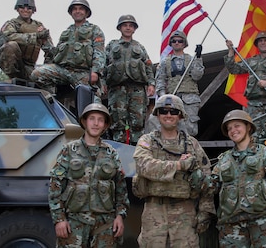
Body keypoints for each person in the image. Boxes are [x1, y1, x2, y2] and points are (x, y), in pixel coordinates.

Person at [133, 94, 215, 247]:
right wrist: (178, 166)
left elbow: (206, 178)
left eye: (174, 112)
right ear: (157, 114)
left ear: (181, 116)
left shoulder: (192, 145)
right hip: (154, 212)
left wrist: (205, 211)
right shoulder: (147, 141)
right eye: (163, 111)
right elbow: (143, 165)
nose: (168, 115)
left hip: (184, 212)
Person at [205, 109, 266, 247]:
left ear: (248, 127)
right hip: (231, 225)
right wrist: (195, 172)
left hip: (262, 222)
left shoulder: (264, 153)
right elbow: (211, 187)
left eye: (237, 126)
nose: (233, 131)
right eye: (229, 128)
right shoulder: (224, 160)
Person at [48, 103, 130, 247]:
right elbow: (55, 186)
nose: (96, 123)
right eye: (92, 118)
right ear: (85, 122)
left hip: (104, 224)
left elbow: (121, 190)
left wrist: (119, 216)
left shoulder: (111, 154)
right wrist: (59, 219)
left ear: (105, 125)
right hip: (74, 223)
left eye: (100, 120)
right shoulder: (69, 151)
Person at [31, 0, 106, 100]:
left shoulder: (95, 30)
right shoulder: (66, 32)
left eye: (81, 9)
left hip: (82, 72)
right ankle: (52, 100)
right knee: (37, 74)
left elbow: (99, 53)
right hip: (63, 70)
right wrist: (45, 38)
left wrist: (95, 72)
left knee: (93, 102)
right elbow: (55, 54)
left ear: (86, 12)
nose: (77, 11)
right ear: (71, 13)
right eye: (74, 9)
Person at [105, 14, 155, 145]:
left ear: (134, 29)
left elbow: (148, 66)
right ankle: (119, 150)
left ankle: (137, 151)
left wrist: (151, 84)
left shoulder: (140, 47)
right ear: (120, 28)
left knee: (137, 122)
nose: (128, 28)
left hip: (137, 89)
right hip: (117, 89)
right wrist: (102, 83)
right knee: (117, 121)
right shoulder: (111, 45)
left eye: (131, 26)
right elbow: (103, 65)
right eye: (125, 25)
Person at [224, 31, 266, 138]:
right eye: (260, 41)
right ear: (257, 44)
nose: (263, 43)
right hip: (253, 105)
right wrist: (230, 51)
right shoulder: (251, 61)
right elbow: (233, 69)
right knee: (252, 134)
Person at [155, 30, 204, 136]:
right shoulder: (165, 62)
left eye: (180, 41)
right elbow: (160, 80)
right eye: (174, 41)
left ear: (184, 43)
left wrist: (198, 58)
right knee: (171, 127)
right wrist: (163, 97)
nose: (177, 43)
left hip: (190, 99)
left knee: (190, 129)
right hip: (173, 98)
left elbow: (197, 76)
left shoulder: (191, 59)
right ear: (171, 43)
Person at [0, 0, 54, 81]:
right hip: (14, 65)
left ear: (33, 10)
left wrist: (47, 67)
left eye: (29, 8)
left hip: (30, 67)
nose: (25, 10)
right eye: (22, 7)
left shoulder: (38, 26)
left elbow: (49, 49)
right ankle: (13, 77)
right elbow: (9, 36)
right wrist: (35, 36)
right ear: (17, 9)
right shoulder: (11, 24)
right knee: (11, 46)